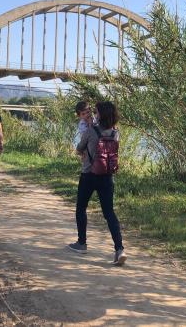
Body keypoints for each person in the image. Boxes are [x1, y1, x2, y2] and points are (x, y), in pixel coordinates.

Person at [68, 101, 127, 266]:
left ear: (100, 115)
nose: (94, 113)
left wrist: (83, 152)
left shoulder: (90, 131)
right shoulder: (116, 132)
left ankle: (82, 243)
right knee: (109, 213)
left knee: (81, 208)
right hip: (107, 176)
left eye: (96, 112)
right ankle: (119, 249)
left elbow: (79, 148)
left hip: (89, 174)